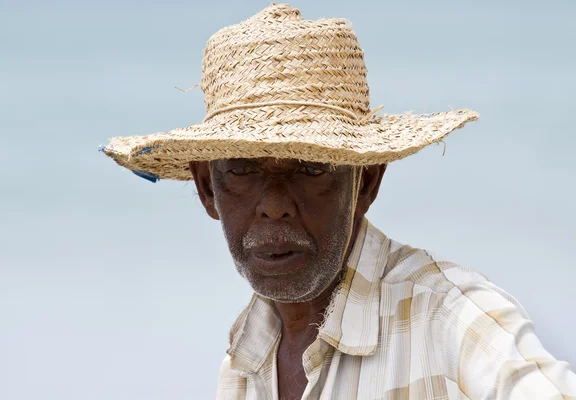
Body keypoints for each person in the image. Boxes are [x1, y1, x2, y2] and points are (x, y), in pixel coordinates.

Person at [100, 3, 576, 399]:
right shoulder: (245, 361)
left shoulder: (447, 319)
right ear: (207, 189)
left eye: (310, 168)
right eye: (244, 169)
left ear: (365, 184)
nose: (275, 206)